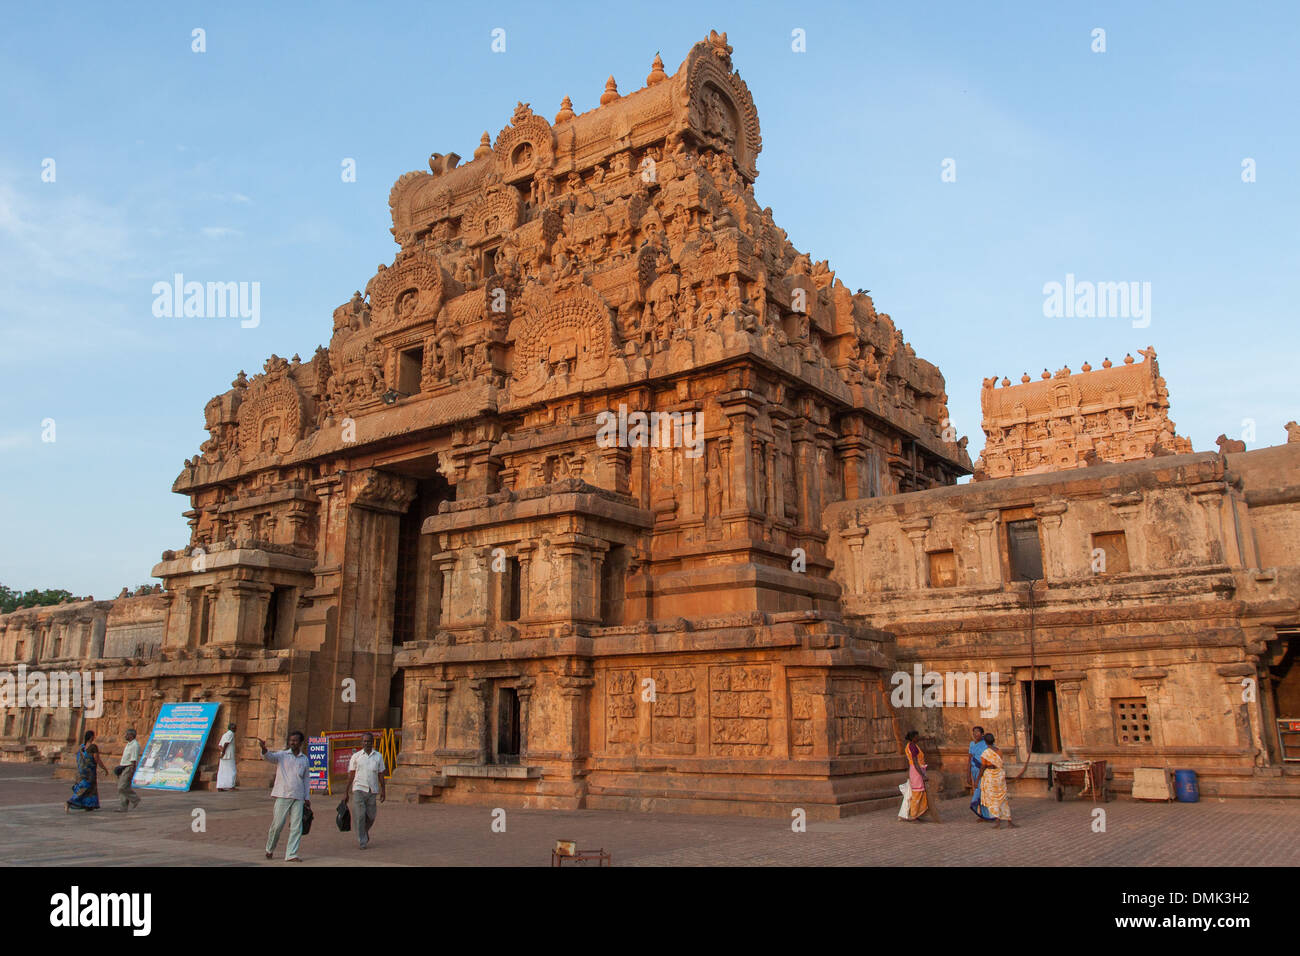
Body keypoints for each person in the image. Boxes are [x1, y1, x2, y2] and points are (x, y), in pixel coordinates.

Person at [259, 731, 311, 862]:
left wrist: (307, 797)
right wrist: (264, 749)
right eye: (291, 740)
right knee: (277, 825)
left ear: (300, 743)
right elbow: (270, 757)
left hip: (298, 796)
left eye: (295, 740)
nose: (293, 743)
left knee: (296, 827)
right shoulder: (283, 755)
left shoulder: (304, 759)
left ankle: (291, 854)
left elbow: (306, 779)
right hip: (282, 795)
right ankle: (269, 849)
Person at [346, 732, 387, 849]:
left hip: (372, 789)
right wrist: (346, 791)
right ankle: (362, 841)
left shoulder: (378, 756)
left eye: (369, 741)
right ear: (361, 742)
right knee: (359, 816)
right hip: (358, 788)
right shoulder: (356, 757)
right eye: (364, 741)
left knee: (371, 816)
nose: (367, 743)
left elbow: (380, 774)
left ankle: (363, 831)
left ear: (372, 742)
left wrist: (383, 790)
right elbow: (351, 774)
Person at [976, 732, 1017, 829]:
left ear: (985, 742)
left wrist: (978, 778)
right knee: (1003, 798)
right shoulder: (999, 751)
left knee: (993, 799)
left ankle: (998, 822)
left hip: (990, 775)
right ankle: (1009, 821)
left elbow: (983, 767)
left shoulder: (985, 753)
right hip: (999, 775)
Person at [901, 730, 940, 822]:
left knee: (920, 792)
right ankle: (913, 814)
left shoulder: (912, 745)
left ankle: (918, 812)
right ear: (913, 738)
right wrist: (922, 775)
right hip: (916, 771)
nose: (918, 738)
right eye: (917, 737)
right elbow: (915, 762)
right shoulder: (913, 747)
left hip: (916, 770)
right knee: (917, 793)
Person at [66, 731, 107, 813]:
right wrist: (104, 768)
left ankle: (89, 805)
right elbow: (97, 759)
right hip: (90, 772)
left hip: (82, 772)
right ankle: (70, 802)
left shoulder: (82, 747)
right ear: (91, 737)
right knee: (86, 788)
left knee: (89, 788)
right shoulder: (93, 747)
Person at [968, 725, 993, 821]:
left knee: (983, 791)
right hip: (974, 770)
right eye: (974, 732)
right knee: (978, 790)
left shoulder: (986, 745)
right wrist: (968, 774)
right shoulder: (971, 744)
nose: (975, 734)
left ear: (982, 734)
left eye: (977, 732)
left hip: (983, 771)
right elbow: (969, 759)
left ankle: (988, 814)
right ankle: (982, 814)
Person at [115, 728, 141, 812]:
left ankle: (135, 798)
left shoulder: (135, 745)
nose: (125, 736)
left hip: (129, 767)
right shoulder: (128, 744)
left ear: (131, 735)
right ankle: (123, 806)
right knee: (124, 787)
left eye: (127, 734)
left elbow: (134, 759)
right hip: (123, 767)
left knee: (121, 787)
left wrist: (132, 770)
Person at [216, 722, 238, 791]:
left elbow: (219, 745)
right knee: (232, 770)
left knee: (222, 771)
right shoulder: (231, 733)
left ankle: (220, 786)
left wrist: (222, 752)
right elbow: (226, 743)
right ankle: (231, 786)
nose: (235, 729)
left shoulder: (224, 734)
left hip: (223, 756)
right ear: (232, 728)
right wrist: (224, 752)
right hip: (229, 755)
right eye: (235, 728)